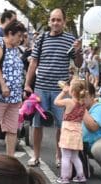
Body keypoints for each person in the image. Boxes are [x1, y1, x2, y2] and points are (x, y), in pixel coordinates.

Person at [25, 9, 82, 168]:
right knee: (37, 124)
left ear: (64, 21)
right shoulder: (41, 38)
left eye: (59, 20)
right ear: (49, 21)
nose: (55, 22)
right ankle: (36, 156)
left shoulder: (71, 39)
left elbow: (78, 64)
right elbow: (33, 62)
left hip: (61, 91)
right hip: (41, 88)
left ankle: (59, 156)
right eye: (53, 20)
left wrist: (78, 50)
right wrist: (27, 84)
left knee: (61, 125)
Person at [0, 19, 27, 156]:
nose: (21, 39)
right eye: (19, 36)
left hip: (14, 98)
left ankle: (10, 160)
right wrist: (3, 85)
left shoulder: (17, 49)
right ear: (10, 33)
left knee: (12, 130)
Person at [54, 78, 87, 184]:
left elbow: (56, 102)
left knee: (66, 156)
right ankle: (81, 175)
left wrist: (63, 92)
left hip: (67, 131)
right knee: (75, 156)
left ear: (72, 91)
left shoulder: (69, 101)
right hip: (77, 131)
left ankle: (64, 177)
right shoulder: (83, 103)